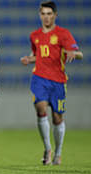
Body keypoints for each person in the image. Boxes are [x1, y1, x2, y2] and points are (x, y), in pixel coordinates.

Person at [20, 1, 83, 165]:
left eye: (49, 14)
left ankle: (58, 152)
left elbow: (79, 53)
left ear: (55, 15)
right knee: (40, 108)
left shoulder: (63, 33)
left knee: (57, 118)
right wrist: (29, 59)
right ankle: (48, 149)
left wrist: (73, 53)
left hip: (58, 81)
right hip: (39, 78)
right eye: (43, 14)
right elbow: (38, 55)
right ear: (40, 15)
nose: (46, 17)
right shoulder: (34, 35)